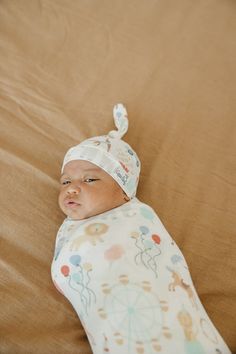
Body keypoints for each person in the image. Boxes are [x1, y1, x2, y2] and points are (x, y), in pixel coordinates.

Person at [51, 104, 231, 354]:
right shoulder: (74, 229)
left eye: (89, 179)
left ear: (124, 192)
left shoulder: (136, 218)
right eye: (65, 181)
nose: (71, 188)